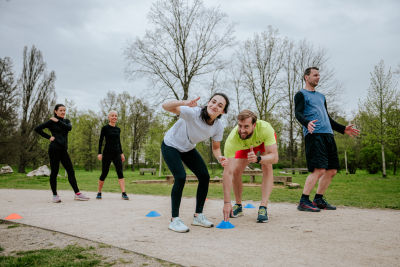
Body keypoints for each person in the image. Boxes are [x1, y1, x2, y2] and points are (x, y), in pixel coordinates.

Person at [162, 93, 230, 233]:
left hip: (187, 148)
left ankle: (198, 216)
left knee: (204, 176)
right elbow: (165, 106)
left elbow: (216, 148)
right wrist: (185, 102)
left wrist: (219, 158)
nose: (214, 106)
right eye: (213, 101)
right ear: (208, 102)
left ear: (223, 111)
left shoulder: (218, 126)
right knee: (180, 176)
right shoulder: (193, 112)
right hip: (171, 144)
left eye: (220, 105)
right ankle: (174, 220)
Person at [294, 67, 359, 212]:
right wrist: (306, 123)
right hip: (314, 135)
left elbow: (327, 118)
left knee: (332, 170)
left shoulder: (321, 97)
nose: (318, 77)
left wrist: (343, 129)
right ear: (306, 77)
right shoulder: (301, 94)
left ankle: (318, 199)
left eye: (319, 75)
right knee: (319, 169)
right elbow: (297, 113)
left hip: (328, 135)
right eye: (315, 75)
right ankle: (304, 201)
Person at [222, 110, 278, 223]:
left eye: (246, 126)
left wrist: (258, 159)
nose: (242, 130)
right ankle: (238, 205)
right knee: (236, 172)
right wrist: (227, 202)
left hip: (262, 141)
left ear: (254, 125)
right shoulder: (233, 139)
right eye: (240, 126)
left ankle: (263, 208)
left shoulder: (266, 129)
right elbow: (228, 172)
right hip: (245, 145)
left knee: (267, 167)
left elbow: (275, 158)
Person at [35, 104, 90, 202]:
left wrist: (58, 121)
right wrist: (49, 137)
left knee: (71, 171)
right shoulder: (51, 122)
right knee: (54, 172)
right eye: (61, 110)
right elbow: (37, 129)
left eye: (64, 110)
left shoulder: (66, 121)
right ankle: (55, 195)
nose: (63, 112)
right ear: (55, 111)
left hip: (63, 150)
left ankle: (77, 194)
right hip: (54, 149)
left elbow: (69, 128)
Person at [96, 110, 128, 200]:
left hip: (116, 153)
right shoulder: (105, 128)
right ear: (108, 117)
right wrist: (99, 153)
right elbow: (100, 141)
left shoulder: (118, 129)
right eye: (112, 116)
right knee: (104, 173)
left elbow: (119, 142)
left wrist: (121, 153)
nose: (114, 117)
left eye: (116, 116)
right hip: (107, 153)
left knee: (120, 172)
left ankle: (124, 193)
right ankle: (99, 192)